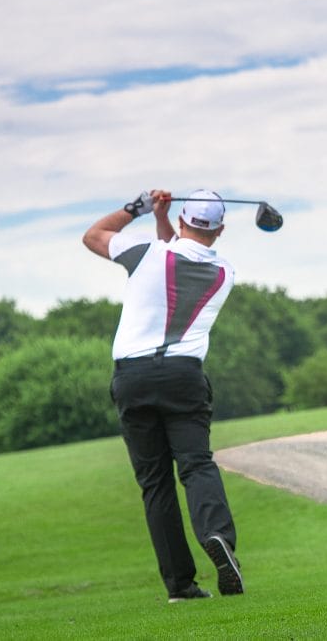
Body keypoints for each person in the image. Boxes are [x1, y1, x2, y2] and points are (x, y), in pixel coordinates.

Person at [83, 188, 245, 601]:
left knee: (155, 483)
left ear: (182, 219)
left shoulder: (147, 253)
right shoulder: (223, 272)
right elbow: (176, 254)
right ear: (220, 230)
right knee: (196, 466)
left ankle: (180, 584)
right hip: (183, 377)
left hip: (133, 377)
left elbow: (94, 235)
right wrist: (162, 221)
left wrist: (138, 208)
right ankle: (216, 535)